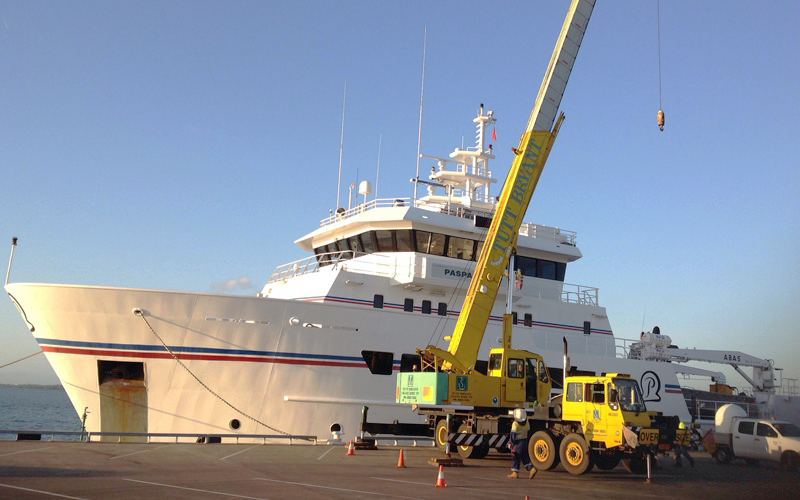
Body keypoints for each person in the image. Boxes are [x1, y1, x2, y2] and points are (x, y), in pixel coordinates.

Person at [507, 408, 537, 479]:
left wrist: (511, 443)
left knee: (516, 457)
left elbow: (513, 435)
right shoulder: (527, 423)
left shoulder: (515, 424)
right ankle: (531, 469)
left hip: (517, 443)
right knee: (524, 457)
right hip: (525, 441)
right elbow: (529, 433)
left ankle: (515, 473)